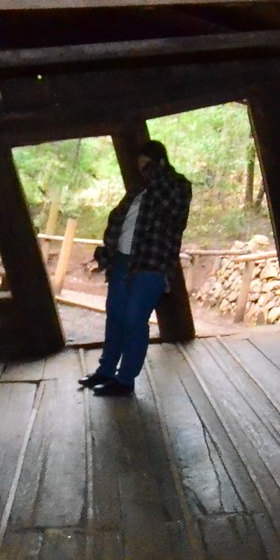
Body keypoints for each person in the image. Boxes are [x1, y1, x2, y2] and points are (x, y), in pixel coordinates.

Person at [79, 140, 191, 397]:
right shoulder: (138, 190)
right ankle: (106, 371)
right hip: (121, 260)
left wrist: (155, 173)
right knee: (116, 315)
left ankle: (125, 379)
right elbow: (119, 220)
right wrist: (107, 252)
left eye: (147, 166)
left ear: (160, 163)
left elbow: (171, 210)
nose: (143, 171)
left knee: (134, 318)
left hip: (151, 263)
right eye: (141, 167)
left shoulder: (179, 187)